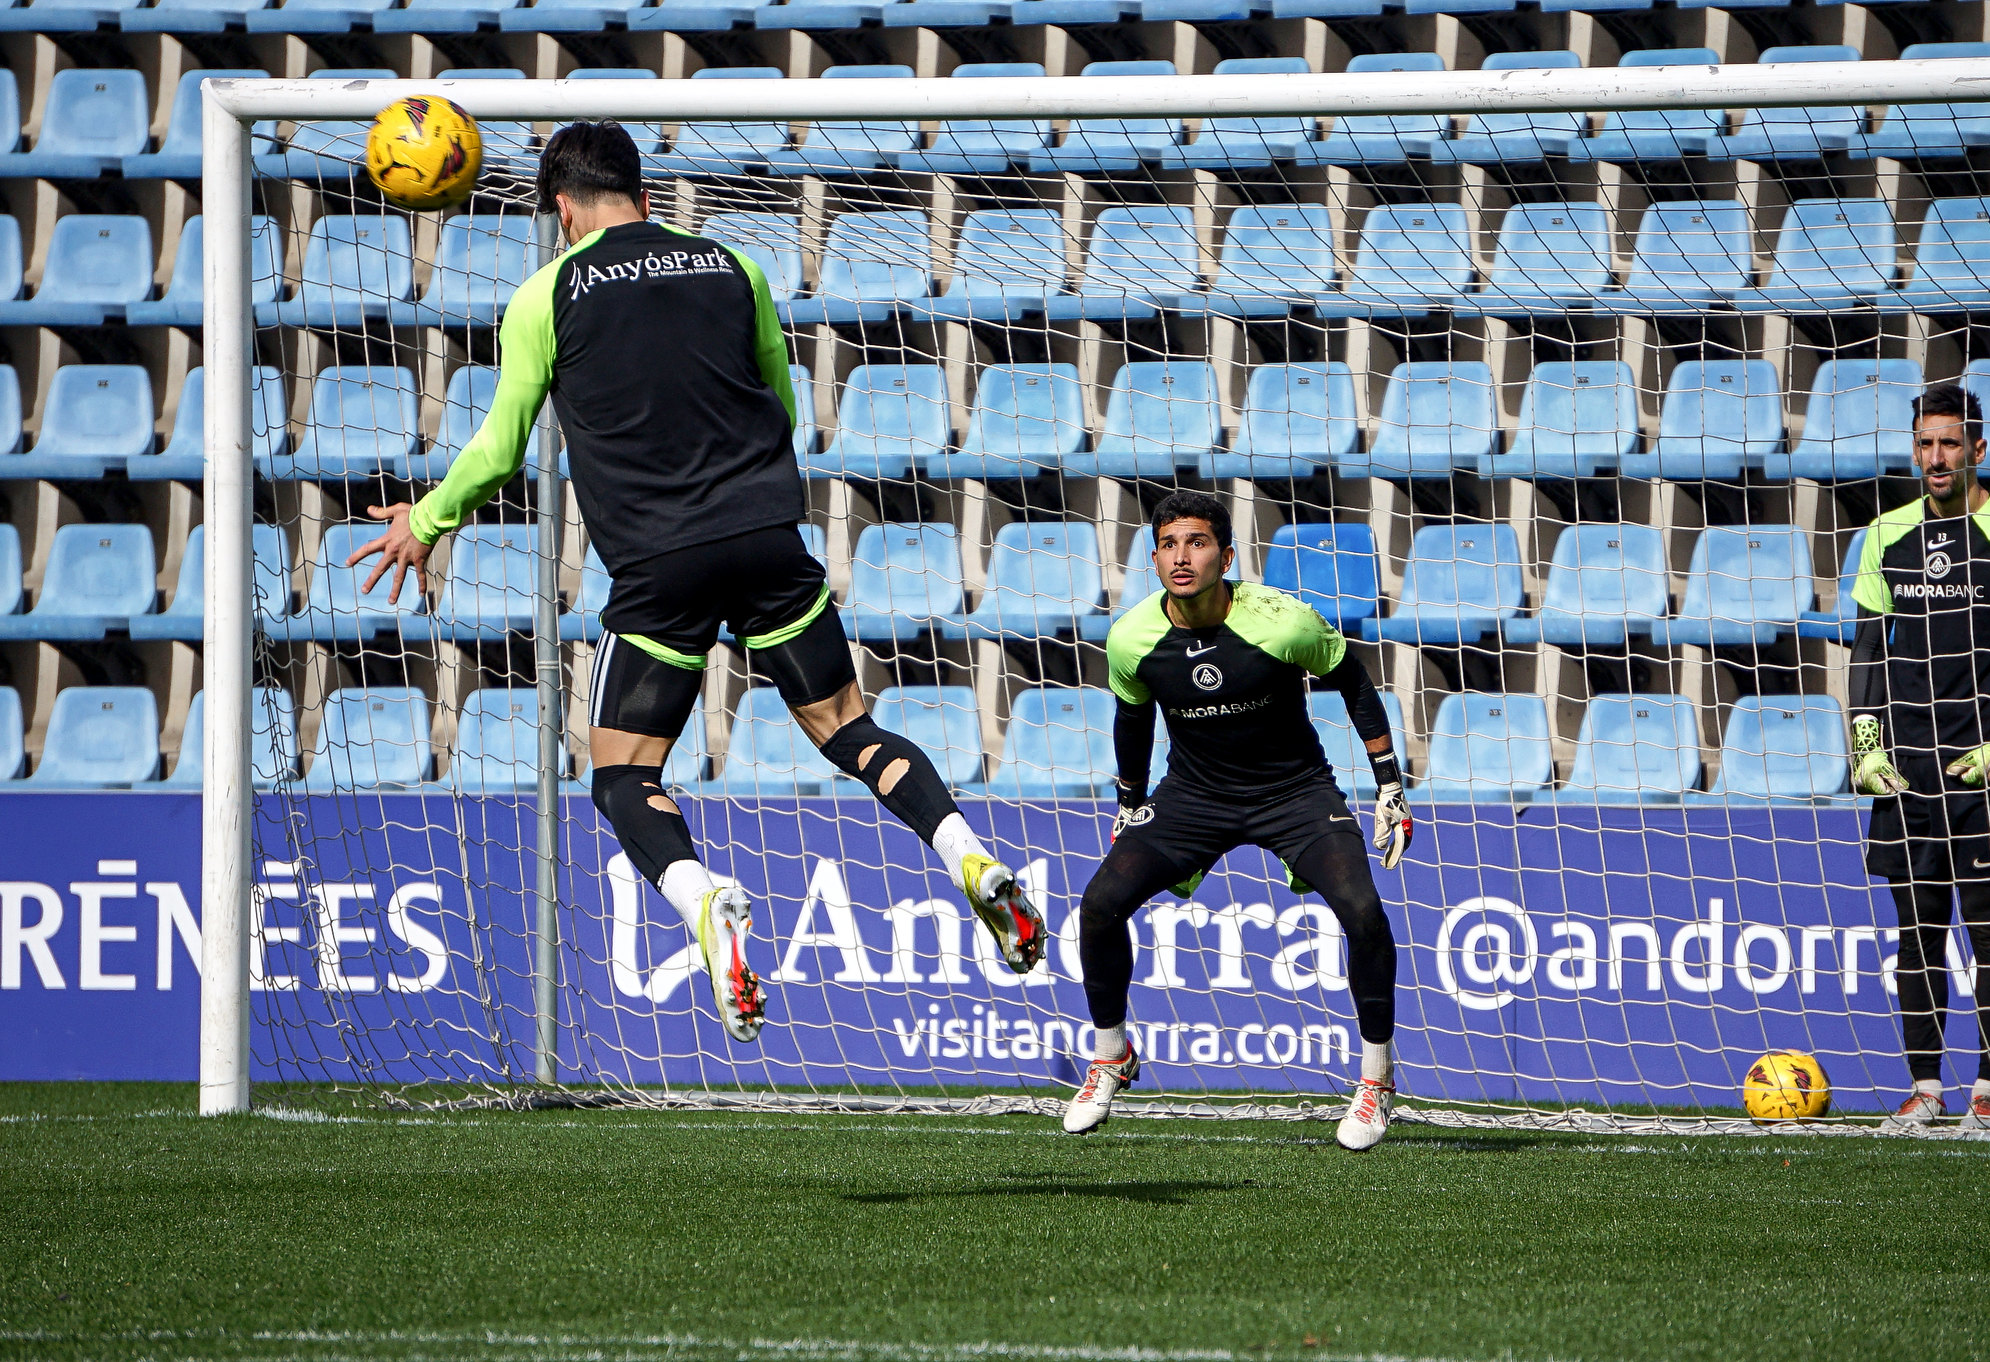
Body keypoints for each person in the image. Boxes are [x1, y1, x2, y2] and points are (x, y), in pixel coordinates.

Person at [350, 121, 1045, 1044]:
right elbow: (781, 402)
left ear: (562, 208)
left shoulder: (544, 295)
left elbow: (499, 449)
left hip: (659, 565)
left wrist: (424, 521)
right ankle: (968, 857)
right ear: (641, 191)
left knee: (622, 771)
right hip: (766, 536)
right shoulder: (733, 266)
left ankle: (701, 896)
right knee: (848, 728)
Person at [1062, 492, 1413, 1149]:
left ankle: (1377, 1083)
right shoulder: (1133, 637)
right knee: (1101, 903)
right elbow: (1133, 719)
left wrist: (1390, 786)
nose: (1180, 557)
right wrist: (1130, 803)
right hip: (1195, 796)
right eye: (1167, 545)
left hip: (1296, 793)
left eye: (1195, 544)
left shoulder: (1284, 622)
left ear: (1225, 557)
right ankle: (1110, 1055)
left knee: (1363, 911)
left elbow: (1355, 683)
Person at [1849, 383, 1990, 1129]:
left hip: (1984, 767)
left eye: (1950, 444)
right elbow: (1868, 647)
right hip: (1907, 768)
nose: (1936, 457)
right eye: (1925, 443)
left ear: (1978, 452)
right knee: (1917, 929)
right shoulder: (1885, 533)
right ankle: (1926, 1090)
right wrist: (1865, 745)